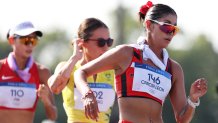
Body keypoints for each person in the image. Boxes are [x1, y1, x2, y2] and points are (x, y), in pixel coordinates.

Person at [74, 1, 208, 123]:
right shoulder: (126, 53)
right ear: (149, 25)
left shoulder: (174, 68)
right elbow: (81, 72)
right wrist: (87, 94)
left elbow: (181, 119)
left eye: (174, 29)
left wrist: (193, 99)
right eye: (167, 27)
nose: (171, 33)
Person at [48, 18, 115, 123]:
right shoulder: (67, 67)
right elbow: (55, 88)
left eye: (109, 42)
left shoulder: (113, 70)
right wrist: (74, 58)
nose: (106, 47)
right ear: (82, 43)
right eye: (101, 42)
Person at [0, 21, 57, 123]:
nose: (30, 45)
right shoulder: (1, 67)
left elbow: (53, 117)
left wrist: (46, 100)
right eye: (26, 40)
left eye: (34, 40)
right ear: (12, 40)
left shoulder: (42, 72)